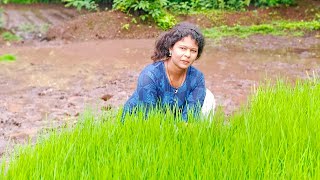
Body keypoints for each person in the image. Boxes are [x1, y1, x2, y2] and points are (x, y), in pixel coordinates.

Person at [122, 22, 215, 121]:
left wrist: (182, 129)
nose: (188, 54)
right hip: (140, 123)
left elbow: (190, 117)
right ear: (171, 48)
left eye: (193, 51)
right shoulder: (150, 76)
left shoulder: (197, 77)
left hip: (174, 124)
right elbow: (148, 119)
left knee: (208, 97)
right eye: (183, 48)